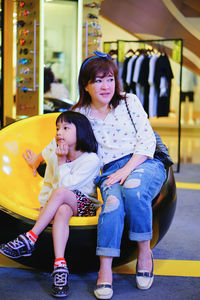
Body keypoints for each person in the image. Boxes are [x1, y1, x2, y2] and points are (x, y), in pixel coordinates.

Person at [22, 51, 167, 299]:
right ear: (86, 85)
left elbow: (146, 139)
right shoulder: (82, 113)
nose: (106, 86)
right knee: (110, 206)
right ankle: (105, 269)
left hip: (143, 162)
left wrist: (126, 169)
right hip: (109, 171)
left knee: (132, 189)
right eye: (98, 80)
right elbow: (62, 139)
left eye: (110, 79)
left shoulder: (129, 102)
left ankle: (145, 252)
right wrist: (38, 159)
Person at [0, 111, 101, 298]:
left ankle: (30, 238)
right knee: (62, 210)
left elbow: (65, 187)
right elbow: (43, 156)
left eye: (65, 128)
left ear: (81, 132)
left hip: (85, 206)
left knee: (61, 193)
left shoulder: (91, 159)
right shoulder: (56, 147)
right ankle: (60, 266)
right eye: (57, 128)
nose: (59, 132)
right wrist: (34, 161)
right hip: (65, 205)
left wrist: (62, 161)